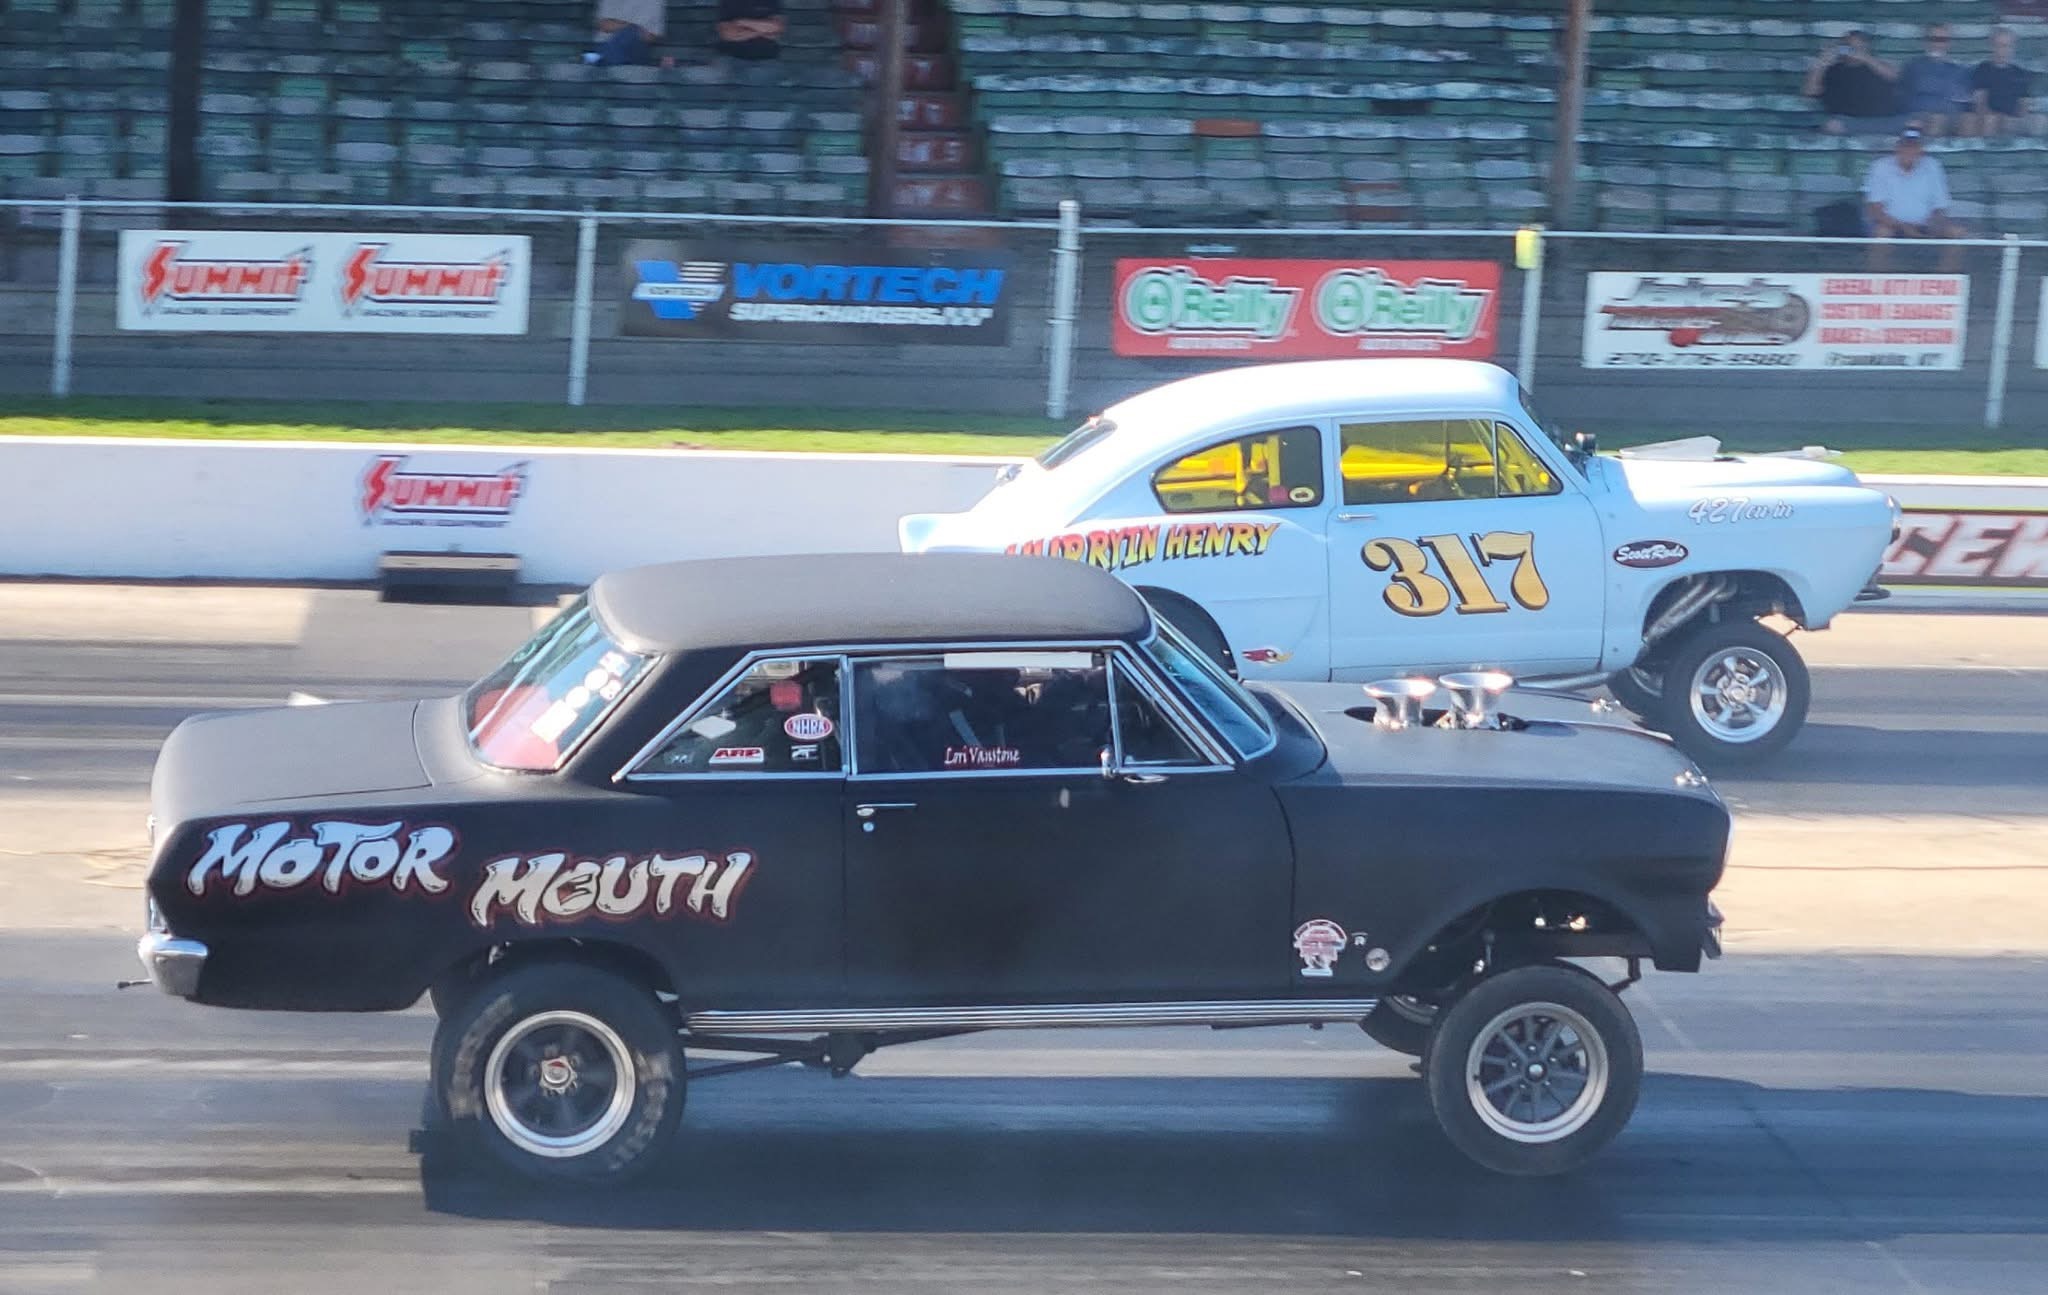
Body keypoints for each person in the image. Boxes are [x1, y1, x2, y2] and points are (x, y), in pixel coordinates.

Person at [1863, 127, 1966, 270]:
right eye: (1905, 146)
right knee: (1882, 234)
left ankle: (1943, 283)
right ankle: (1878, 282)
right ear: (1897, 148)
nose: (1909, 151)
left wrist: (1934, 225)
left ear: (1921, 150)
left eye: (1914, 147)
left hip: (1926, 225)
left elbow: (1939, 207)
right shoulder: (1880, 167)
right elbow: (1875, 210)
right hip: (1892, 226)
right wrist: (1905, 228)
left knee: (1956, 233)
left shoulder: (1933, 166)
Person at [1805, 30, 1901, 135]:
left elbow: (1897, 79)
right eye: (1847, 47)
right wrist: (1822, 63)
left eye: (1857, 47)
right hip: (1846, 122)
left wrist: (1866, 58)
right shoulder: (1831, 70)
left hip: (1882, 121)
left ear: (1866, 47)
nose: (1852, 52)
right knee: (1833, 125)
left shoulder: (1878, 66)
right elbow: (1810, 91)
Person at [1897, 23, 1972, 136]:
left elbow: (1964, 97)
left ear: (1949, 43)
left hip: (1952, 115)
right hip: (1920, 114)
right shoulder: (1913, 66)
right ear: (1926, 42)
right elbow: (1915, 88)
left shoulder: (1959, 70)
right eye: (1933, 39)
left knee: (1969, 119)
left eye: (1942, 39)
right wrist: (1945, 89)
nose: (1937, 44)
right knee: (1938, 119)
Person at [1971, 27, 2043, 137]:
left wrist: (2017, 118)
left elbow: (2024, 105)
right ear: (1992, 47)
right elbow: (1980, 103)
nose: (2002, 50)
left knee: (2040, 120)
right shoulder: (1983, 69)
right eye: (1998, 45)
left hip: (2013, 120)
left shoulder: (2021, 73)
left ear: (2013, 48)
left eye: (2006, 46)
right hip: (1991, 118)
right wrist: (1998, 117)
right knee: (1990, 120)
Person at [588, 0, 664, 67]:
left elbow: (652, 36)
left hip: (637, 48)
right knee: (629, 33)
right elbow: (604, 25)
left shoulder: (655, 1)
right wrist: (632, 28)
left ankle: (600, 63)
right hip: (606, 43)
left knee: (629, 35)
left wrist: (633, 32)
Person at [715, 0, 785, 61]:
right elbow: (727, 34)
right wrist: (763, 30)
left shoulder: (771, 1)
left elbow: (776, 27)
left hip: (767, 59)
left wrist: (741, 22)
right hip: (729, 58)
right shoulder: (729, 1)